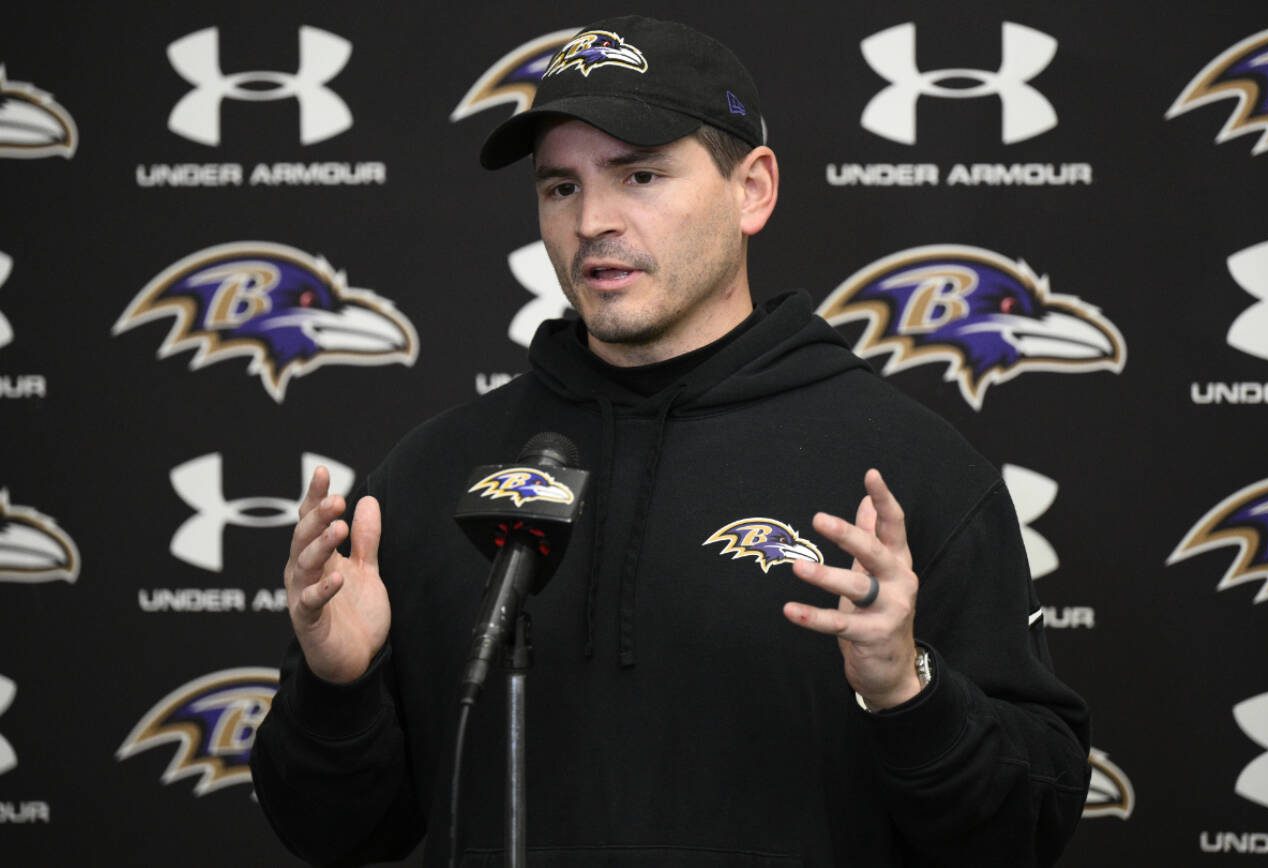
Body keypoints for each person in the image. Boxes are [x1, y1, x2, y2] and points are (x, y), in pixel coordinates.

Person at [251, 15, 1090, 867]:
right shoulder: (430, 478)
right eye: (561, 188)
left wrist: (908, 692)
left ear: (753, 188)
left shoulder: (906, 475)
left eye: (640, 175)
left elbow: (1026, 828)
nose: (593, 223)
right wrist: (338, 691)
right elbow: (335, 834)